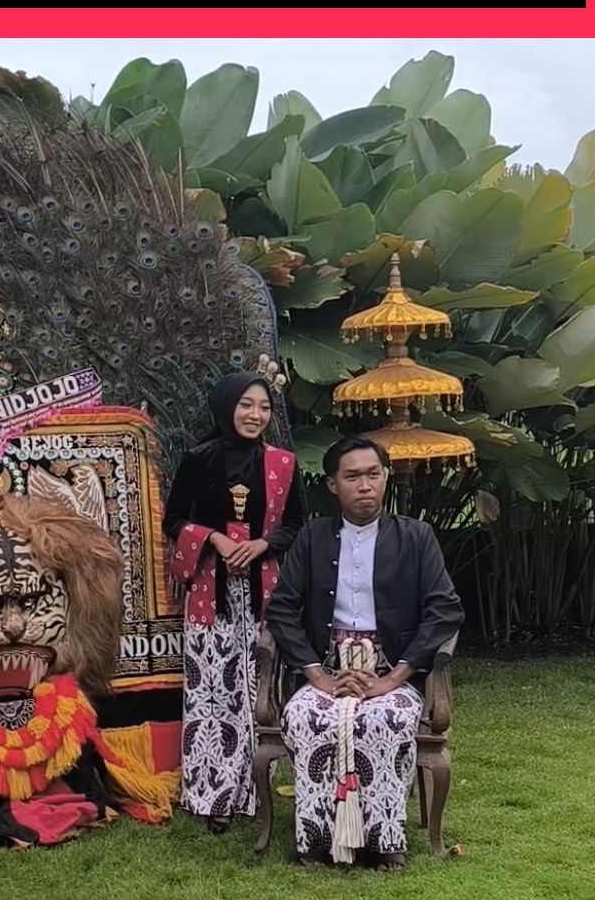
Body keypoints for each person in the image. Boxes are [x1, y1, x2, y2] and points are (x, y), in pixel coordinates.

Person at [264, 434, 463, 871]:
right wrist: (319, 676)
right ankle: (315, 840)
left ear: (385, 478)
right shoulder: (314, 537)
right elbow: (281, 608)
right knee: (309, 716)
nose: (365, 485)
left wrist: (394, 678)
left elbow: (445, 609)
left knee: (385, 718)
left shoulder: (416, 537)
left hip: (392, 669)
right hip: (327, 668)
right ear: (333, 484)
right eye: (352, 476)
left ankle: (384, 840)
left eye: (373, 474)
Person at [163, 371, 306, 833]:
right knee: (212, 693)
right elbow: (174, 521)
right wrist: (216, 540)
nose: (255, 415)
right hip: (212, 594)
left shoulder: (283, 463)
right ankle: (212, 796)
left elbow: (296, 524)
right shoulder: (197, 459)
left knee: (259, 689)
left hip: (264, 591)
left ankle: (257, 789)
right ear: (227, 407)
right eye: (246, 405)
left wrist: (263, 545)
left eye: (263, 407)